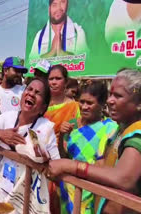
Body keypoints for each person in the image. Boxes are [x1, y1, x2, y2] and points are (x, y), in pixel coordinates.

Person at [46, 69, 141, 214]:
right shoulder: (120, 130)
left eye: (118, 96)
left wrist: (72, 166)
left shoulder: (136, 134)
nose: (110, 101)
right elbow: (104, 165)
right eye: (110, 95)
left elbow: (124, 179)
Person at [0, 78, 60, 213]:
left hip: (27, 195)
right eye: (29, 89)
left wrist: (45, 161)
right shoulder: (9, 117)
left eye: (38, 93)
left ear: (43, 107)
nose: (31, 94)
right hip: (3, 189)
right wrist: (1, 134)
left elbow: (56, 165)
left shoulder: (46, 128)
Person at [58, 81, 118, 214]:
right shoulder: (71, 125)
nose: (84, 107)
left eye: (90, 103)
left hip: (91, 189)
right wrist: (62, 135)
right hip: (68, 189)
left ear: (102, 105)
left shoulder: (109, 128)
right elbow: (63, 156)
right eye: (82, 101)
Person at [44, 64, 80, 213]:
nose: (53, 82)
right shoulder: (41, 105)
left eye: (58, 78)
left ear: (65, 82)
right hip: (39, 163)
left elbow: (79, 137)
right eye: (51, 79)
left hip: (62, 165)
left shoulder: (74, 107)